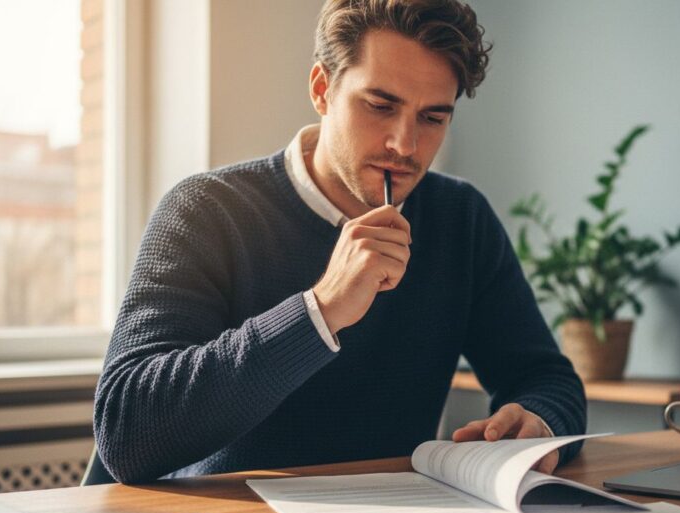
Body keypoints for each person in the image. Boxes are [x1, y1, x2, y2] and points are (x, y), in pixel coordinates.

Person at [94, 0, 586, 484]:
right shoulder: (206, 210)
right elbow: (125, 433)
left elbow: (548, 379)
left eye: (433, 118)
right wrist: (320, 310)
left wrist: (537, 422)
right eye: (380, 106)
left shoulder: (462, 218)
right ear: (322, 89)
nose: (405, 145)